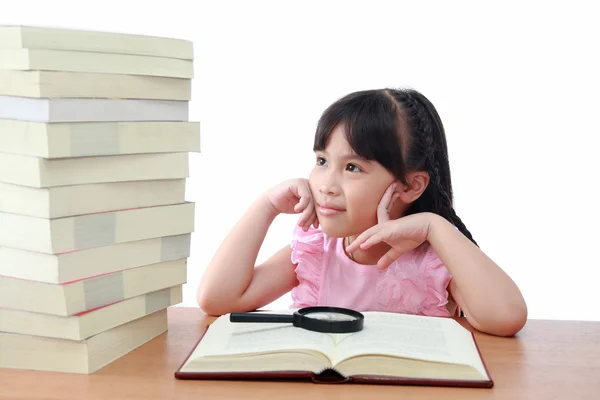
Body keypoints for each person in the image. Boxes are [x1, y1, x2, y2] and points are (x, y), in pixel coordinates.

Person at [197, 88, 527, 337]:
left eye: (353, 167)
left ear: (411, 187)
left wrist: (434, 227)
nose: (326, 185)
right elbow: (217, 299)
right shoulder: (317, 251)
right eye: (322, 161)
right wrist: (266, 206)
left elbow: (506, 318)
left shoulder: (433, 264)